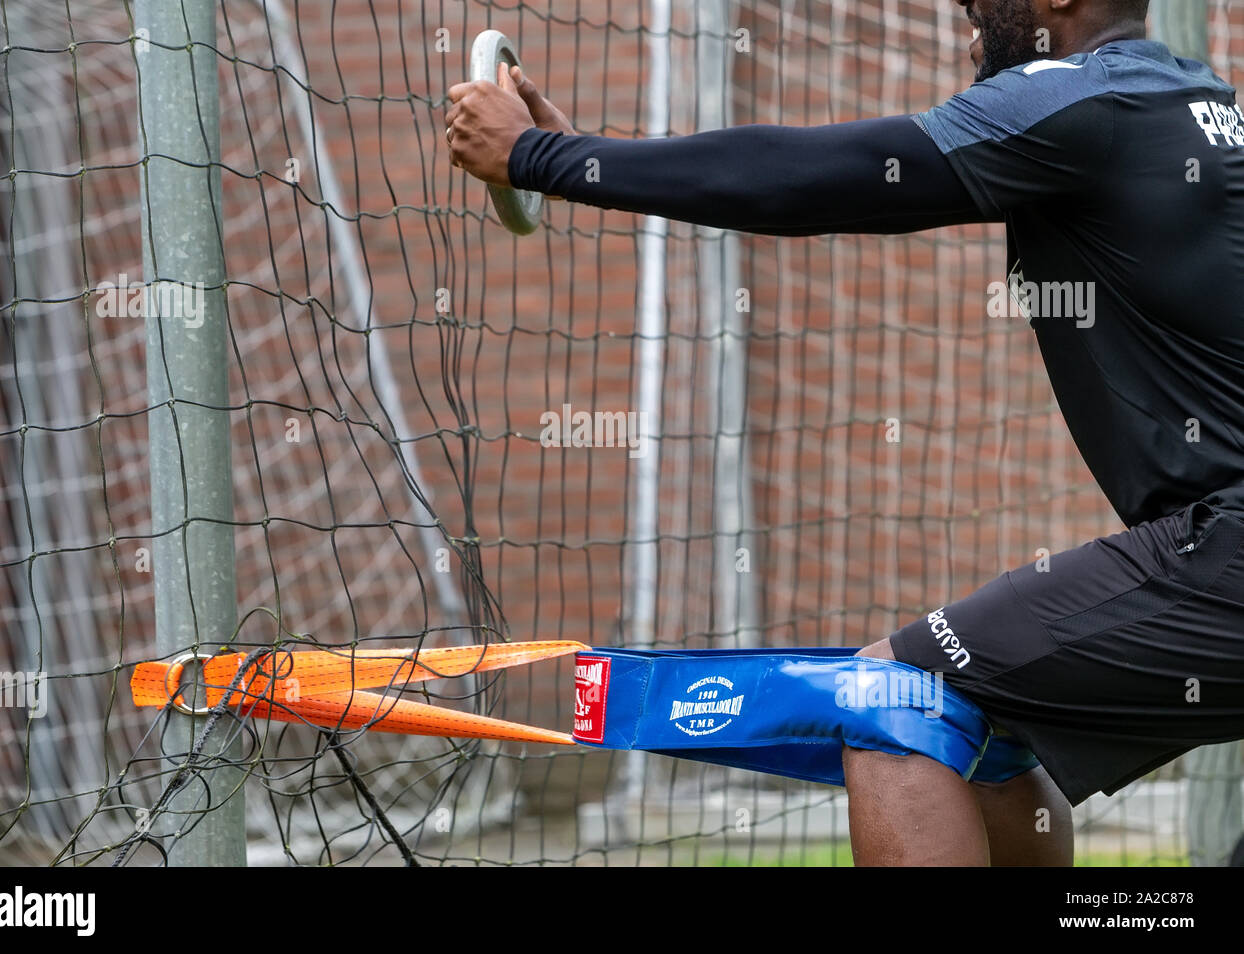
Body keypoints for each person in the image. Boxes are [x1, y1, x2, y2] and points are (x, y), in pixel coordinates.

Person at [446, 0, 1244, 866]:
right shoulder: (1194, 99)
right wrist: (601, 158)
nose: (964, 5)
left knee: (897, 697)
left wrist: (549, 158)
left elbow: (830, 172)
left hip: (1225, 554)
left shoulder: (1080, 100)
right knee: (986, 725)